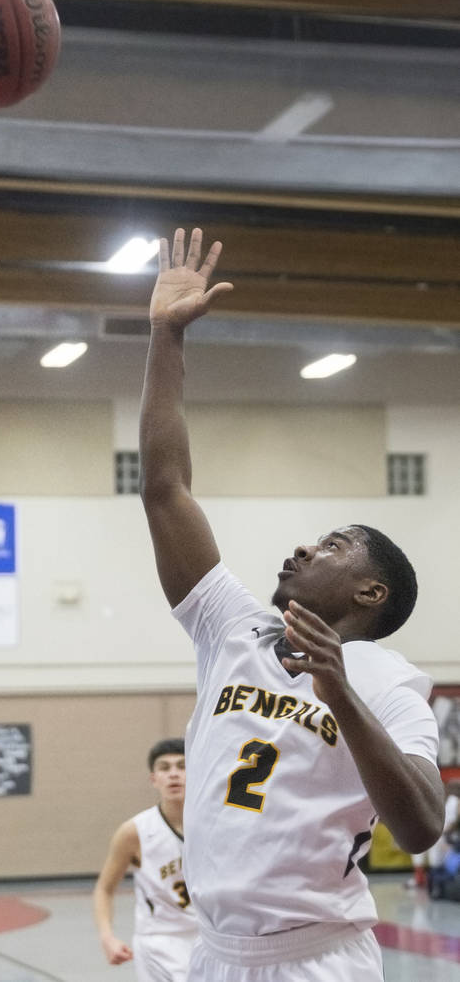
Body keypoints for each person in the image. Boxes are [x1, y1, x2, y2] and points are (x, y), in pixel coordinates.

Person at [138, 226, 444, 982]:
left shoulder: (389, 680)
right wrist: (164, 341)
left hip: (317, 957)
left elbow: (422, 827)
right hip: (214, 954)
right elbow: (165, 487)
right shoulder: (231, 626)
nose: (304, 549)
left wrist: (338, 689)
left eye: (333, 544)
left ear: (370, 593)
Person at [93, 738, 198, 981]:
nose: (174, 774)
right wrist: (107, 937)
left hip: (210, 937)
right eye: (164, 768)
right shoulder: (135, 831)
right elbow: (104, 888)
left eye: (182, 766)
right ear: (154, 779)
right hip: (160, 940)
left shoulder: (213, 823)